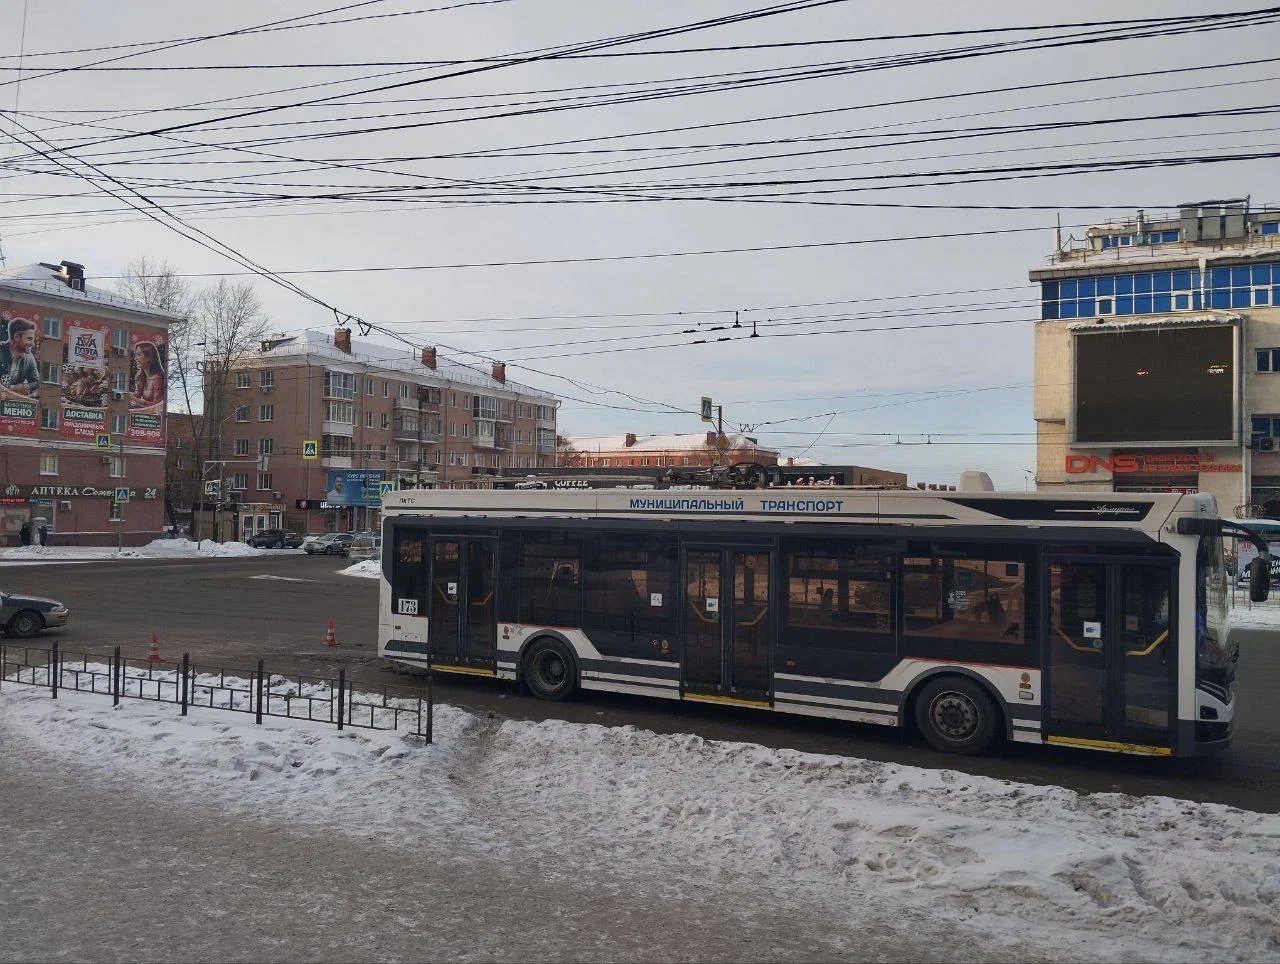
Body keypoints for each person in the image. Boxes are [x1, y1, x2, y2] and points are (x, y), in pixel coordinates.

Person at [0, 317, 39, 398]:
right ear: (16, 337)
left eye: (33, 340)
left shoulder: (29, 358)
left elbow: (36, 382)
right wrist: (13, 388)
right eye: (29, 339)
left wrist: (26, 387)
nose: (33, 344)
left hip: (13, 404)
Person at [129, 341, 166, 406]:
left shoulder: (158, 378)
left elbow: (158, 406)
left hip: (153, 415)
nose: (135, 358)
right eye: (135, 355)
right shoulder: (140, 375)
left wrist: (136, 400)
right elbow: (137, 395)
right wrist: (127, 394)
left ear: (149, 357)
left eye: (139, 355)